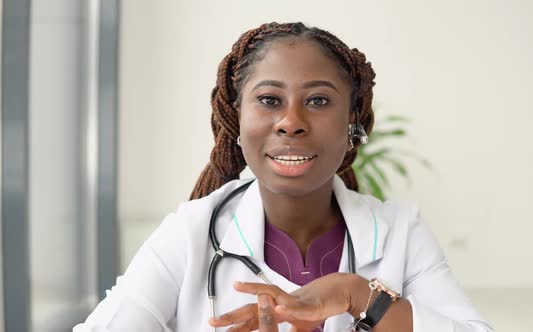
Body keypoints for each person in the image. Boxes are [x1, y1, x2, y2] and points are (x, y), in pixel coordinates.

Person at [74, 22, 493, 332]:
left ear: (353, 123)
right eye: (269, 100)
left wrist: (358, 295)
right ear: (235, 120)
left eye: (318, 100)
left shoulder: (401, 230)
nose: (291, 122)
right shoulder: (191, 231)